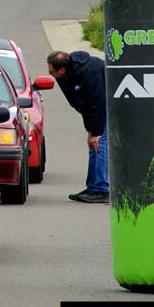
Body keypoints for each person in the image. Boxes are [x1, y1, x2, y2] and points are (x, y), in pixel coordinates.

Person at [46, 51, 109, 203]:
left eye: (51, 72)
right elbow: (81, 105)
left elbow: (97, 103)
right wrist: (90, 130)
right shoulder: (65, 75)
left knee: (100, 144)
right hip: (94, 109)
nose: (50, 75)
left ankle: (102, 189)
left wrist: (96, 132)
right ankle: (93, 187)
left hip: (107, 107)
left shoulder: (90, 71)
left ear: (62, 70)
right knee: (93, 146)